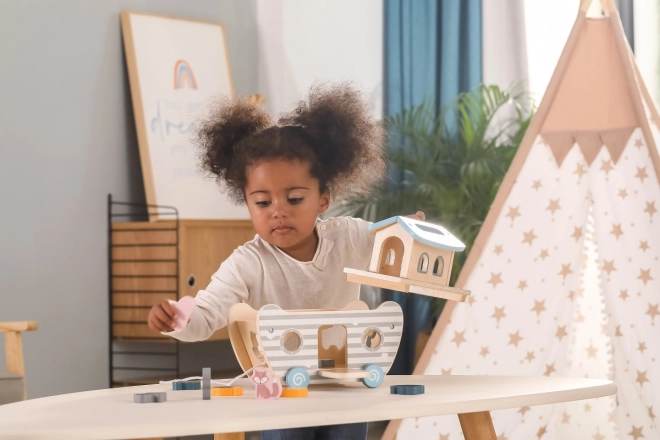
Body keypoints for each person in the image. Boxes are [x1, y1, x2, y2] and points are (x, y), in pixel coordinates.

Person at [147, 83, 424, 440]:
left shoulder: (350, 237)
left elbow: (392, 245)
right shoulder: (248, 262)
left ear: (323, 198)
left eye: (294, 199)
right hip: (281, 391)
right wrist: (176, 317)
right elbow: (206, 315)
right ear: (246, 202)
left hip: (343, 385)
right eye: (262, 203)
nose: (278, 212)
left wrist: (413, 233)